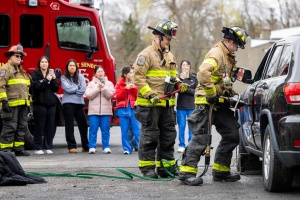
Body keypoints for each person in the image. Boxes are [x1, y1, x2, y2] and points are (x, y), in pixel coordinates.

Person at [178, 26, 249, 186]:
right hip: (207, 102)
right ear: (230, 41)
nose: (237, 48)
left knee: (232, 134)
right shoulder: (217, 53)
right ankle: (186, 173)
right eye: (237, 45)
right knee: (201, 138)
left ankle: (220, 171)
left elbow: (223, 81)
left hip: (219, 102)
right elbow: (203, 72)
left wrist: (230, 97)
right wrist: (211, 93)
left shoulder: (227, 56)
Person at [133, 20, 188, 178]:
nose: (169, 42)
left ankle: (165, 168)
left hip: (167, 104)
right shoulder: (146, 54)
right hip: (150, 104)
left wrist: (178, 83)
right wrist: (150, 94)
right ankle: (147, 169)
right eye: (167, 39)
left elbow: (172, 76)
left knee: (168, 136)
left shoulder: (170, 55)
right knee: (150, 136)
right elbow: (138, 78)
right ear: (158, 37)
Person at [0, 44, 31, 156]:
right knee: (10, 126)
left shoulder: (21, 71)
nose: (19, 58)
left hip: (23, 103)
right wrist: (3, 101)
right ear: (10, 57)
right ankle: (5, 150)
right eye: (17, 56)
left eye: (20, 56)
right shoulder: (5, 69)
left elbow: (26, 87)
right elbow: (0, 85)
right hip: (10, 104)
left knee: (22, 126)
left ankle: (19, 148)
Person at [31, 56, 59, 155]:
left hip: (51, 104)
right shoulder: (35, 74)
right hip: (39, 104)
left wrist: (54, 80)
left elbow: (56, 88)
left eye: (46, 62)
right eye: (42, 62)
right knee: (39, 126)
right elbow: (36, 87)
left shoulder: (51, 73)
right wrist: (46, 80)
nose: (44, 63)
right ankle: (38, 147)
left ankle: (47, 146)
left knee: (50, 126)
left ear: (48, 64)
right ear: (39, 64)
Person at [85, 66, 115, 154]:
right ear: (95, 74)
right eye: (98, 72)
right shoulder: (91, 84)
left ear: (104, 73)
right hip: (94, 111)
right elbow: (89, 95)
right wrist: (98, 88)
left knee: (105, 129)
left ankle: (106, 146)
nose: (100, 73)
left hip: (106, 111)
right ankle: (92, 147)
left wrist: (104, 87)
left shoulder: (109, 83)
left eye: (102, 71)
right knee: (93, 129)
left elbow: (110, 95)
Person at [61, 59, 89, 154]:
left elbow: (84, 89)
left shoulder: (80, 76)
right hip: (68, 104)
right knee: (69, 125)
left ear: (76, 67)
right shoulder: (64, 77)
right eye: (70, 65)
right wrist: (77, 87)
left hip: (79, 104)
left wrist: (74, 89)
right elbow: (67, 89)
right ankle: (71, 146)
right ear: (67, 67)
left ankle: (85, 146)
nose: (72, 67)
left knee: (83, 124)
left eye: (73, 65)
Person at [115, 66, 140, 155]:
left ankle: (140, 147)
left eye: (132, 72)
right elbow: (117, 97)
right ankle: (126, 148)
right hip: (123, 109)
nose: (132, 74)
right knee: (124, 130)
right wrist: (125, 89)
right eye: (130, 73)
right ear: (125, 74)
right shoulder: (119, 84)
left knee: (137, 129)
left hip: (133, 108)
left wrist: (133, 88)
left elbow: (137, 96)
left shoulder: (135, 83)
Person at [176, 60, 198, 153]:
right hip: (181, 106)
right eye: (183, 65)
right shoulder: (178, 78)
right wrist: (181, 80)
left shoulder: (194, 78)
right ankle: (181, 145)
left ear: (189, 67)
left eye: (186, 65)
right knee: (181, 126)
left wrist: (186, 89)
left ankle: (190, 144)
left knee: (191, 126)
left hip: (191, 106)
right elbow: (176, 89)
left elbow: (196, 91)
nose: (184, 67)